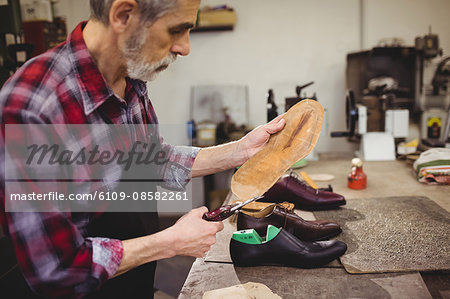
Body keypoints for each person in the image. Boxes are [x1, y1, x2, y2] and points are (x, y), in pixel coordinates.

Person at [0, 0, 285, 297]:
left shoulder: (130, 79)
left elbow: (152, 160)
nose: (184, 48)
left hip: (135, 282)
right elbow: (56, 268)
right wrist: (170, 242)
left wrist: (240, 150)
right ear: (124, 15)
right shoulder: (33, 105)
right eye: (176, 30)